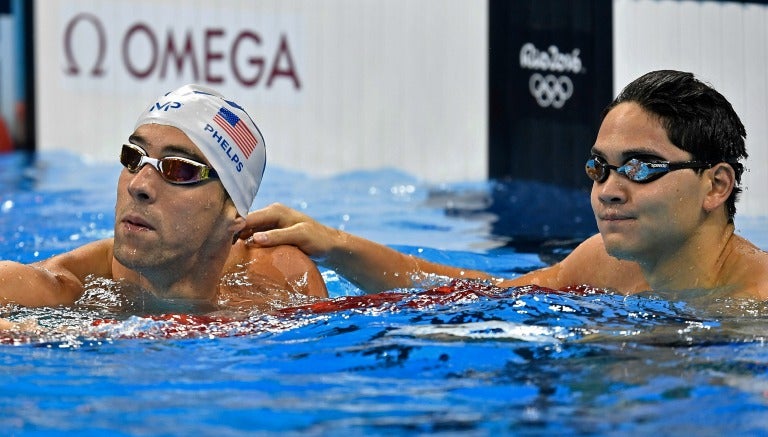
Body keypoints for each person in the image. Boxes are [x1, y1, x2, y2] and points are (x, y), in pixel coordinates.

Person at [240, 70, 768, 300]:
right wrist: (333, 242)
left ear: (715, 186)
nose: (609, 190)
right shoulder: (606, 266)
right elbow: (466, 293)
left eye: (641, 167)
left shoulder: (757, 306)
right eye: (600, 168)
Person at [0, 84, 327, 312]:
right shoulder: (51, 292)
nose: (138, 185)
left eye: (178, 170)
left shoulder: (284, 280)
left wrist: (337, 244)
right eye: (134, 157)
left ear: (233, 213)